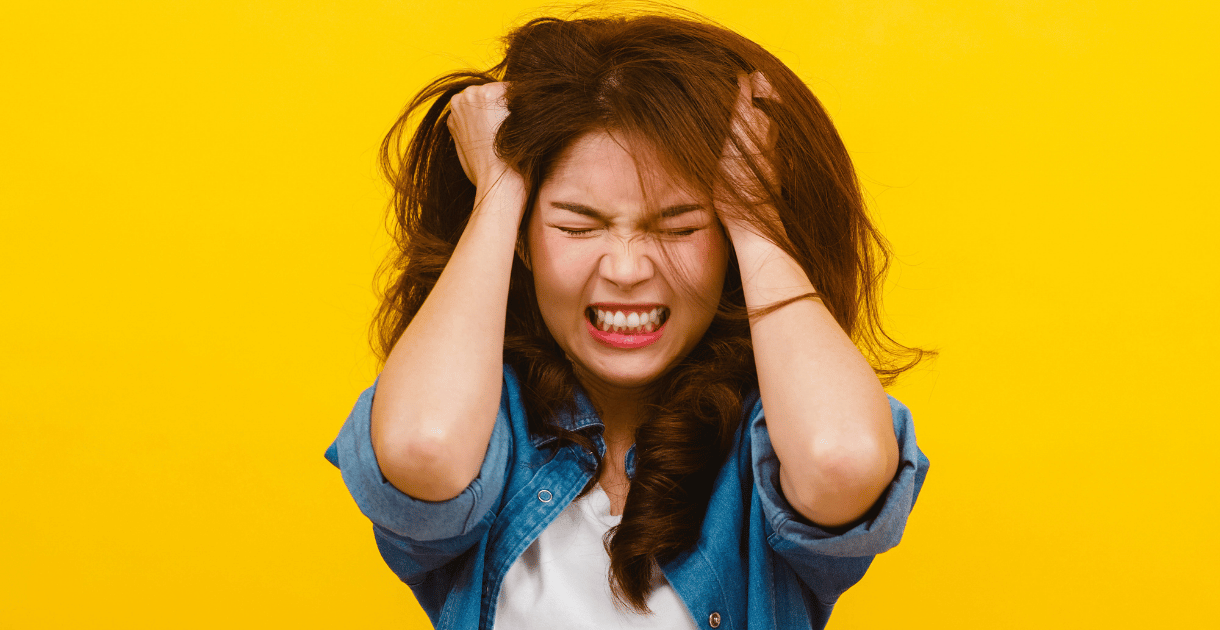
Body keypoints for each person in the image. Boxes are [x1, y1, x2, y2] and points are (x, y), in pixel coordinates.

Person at [326, 8, 931, 630]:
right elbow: (421, 447)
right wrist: (500, 188)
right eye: (576, 225)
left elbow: (842, 463)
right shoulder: (482, 423)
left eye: (679, 226)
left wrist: (752, 216)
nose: (625, 268)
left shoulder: (771, 436)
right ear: (522, 242)